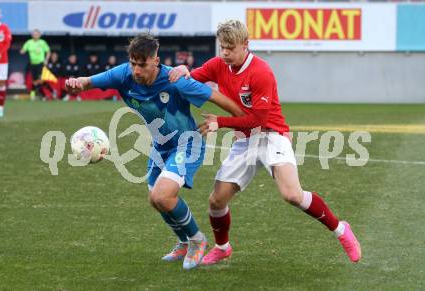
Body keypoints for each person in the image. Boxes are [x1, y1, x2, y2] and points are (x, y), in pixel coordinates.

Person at [169, 20, 361, 265]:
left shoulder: (261, 72)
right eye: (222, 47)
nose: (225, 52)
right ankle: (222, 247)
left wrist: (221, 122)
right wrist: (184, 71)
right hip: (245, 139)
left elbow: (258, 119)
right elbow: (192, 81)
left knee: (292, 195)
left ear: (245, 45)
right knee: (216, 202)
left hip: (272, 135)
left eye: (230, 47)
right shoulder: (218, 64)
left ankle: (341, 230)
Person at [65, 33, 244, 270]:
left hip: (188, 144)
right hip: (161, 146)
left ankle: (196, 240)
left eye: (142, 65)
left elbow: (216, 97)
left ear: (155, 61)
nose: (136, 70)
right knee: (155, 200)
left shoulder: (175, 80)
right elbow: (88, 82)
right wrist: (76, 84)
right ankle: (182, 242)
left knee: (162, 196)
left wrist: (242, 121)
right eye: (133, 63)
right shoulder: (123, 74)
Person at [20, 29, 50, 100]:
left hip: (41, 63)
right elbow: (23, 50)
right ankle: (34, 94)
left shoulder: (42, 42)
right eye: (34, 34)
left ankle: (46, 93)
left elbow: (48, 51)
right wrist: (22, 51)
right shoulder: (29, 42)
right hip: (32, 64)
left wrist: (46, 60)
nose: (35, 35)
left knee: (40, 80)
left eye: (36, 34)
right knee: (34, 80)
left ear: (39, 35)